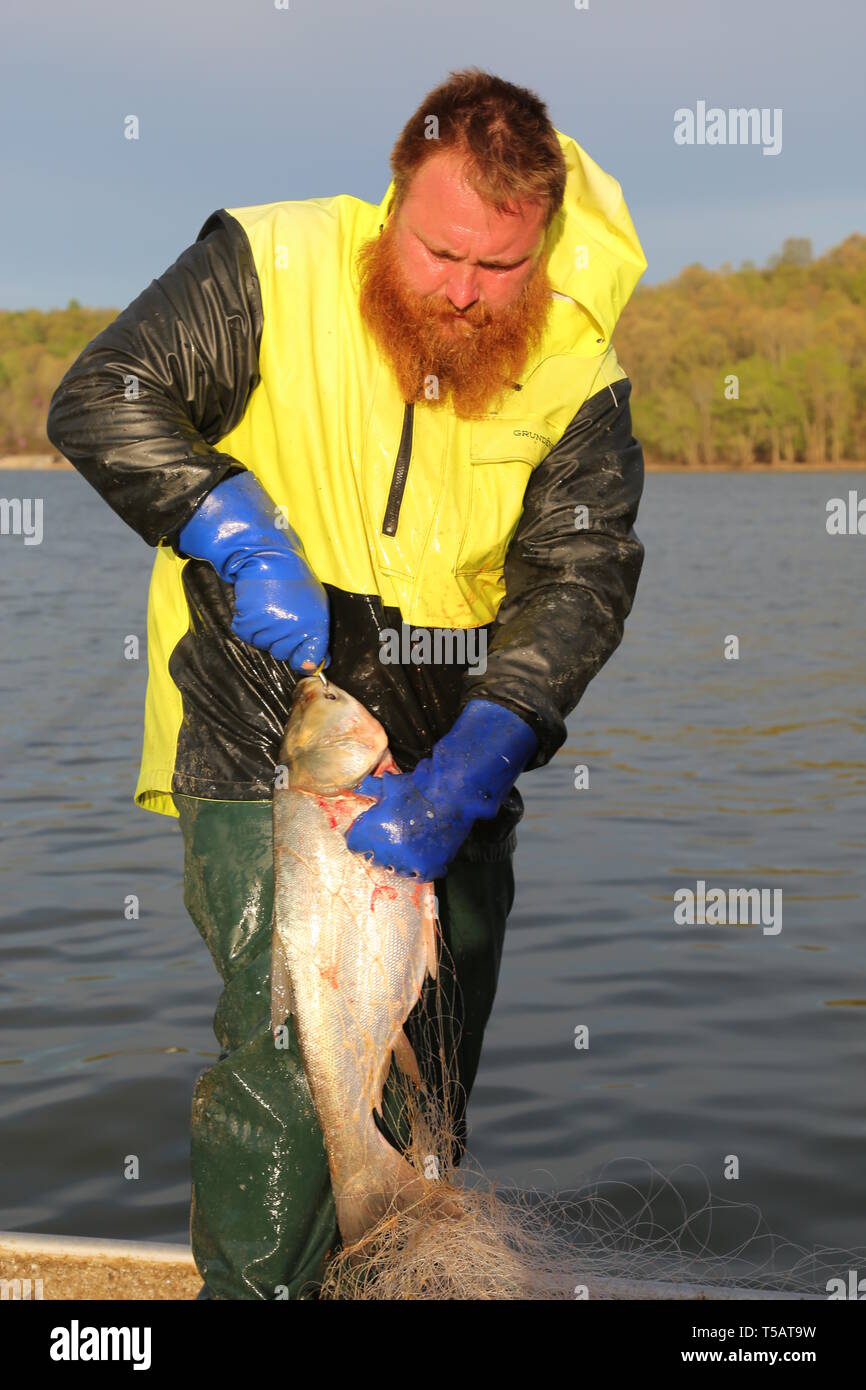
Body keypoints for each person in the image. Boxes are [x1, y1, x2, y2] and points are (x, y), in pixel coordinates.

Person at [46, 67, 647, 1299]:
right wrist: (233, 524)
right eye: (438, 254)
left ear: (542, 243)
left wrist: (493, 742)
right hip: (271, 731)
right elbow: (104, 398)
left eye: (500, 267)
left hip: (454, 751)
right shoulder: (270, 262)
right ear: (392, 204)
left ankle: (385, 1273)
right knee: (289, 1060)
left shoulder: (575, 359)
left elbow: (579, 572)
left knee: (425, 1061)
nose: (465, 292)